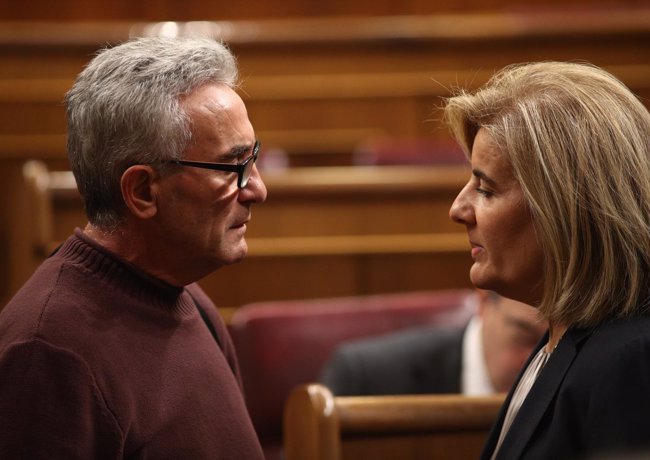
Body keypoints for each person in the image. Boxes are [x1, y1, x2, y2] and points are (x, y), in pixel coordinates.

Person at [0, 37, 267, 459]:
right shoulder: (46, 356)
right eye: (233, 166)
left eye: (253, 158)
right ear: (142, 191)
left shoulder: (188, 297)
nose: (257, 189)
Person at [445, 61, 650, 459]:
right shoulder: (568, 340)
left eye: (486, 190)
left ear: (564, 213)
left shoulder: (641, 363)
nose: (459, 209)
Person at [319, 290, 546, 396]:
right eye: (524, 338)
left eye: (555, 345)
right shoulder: (364, 379)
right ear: (484, 302)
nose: (539, 363)